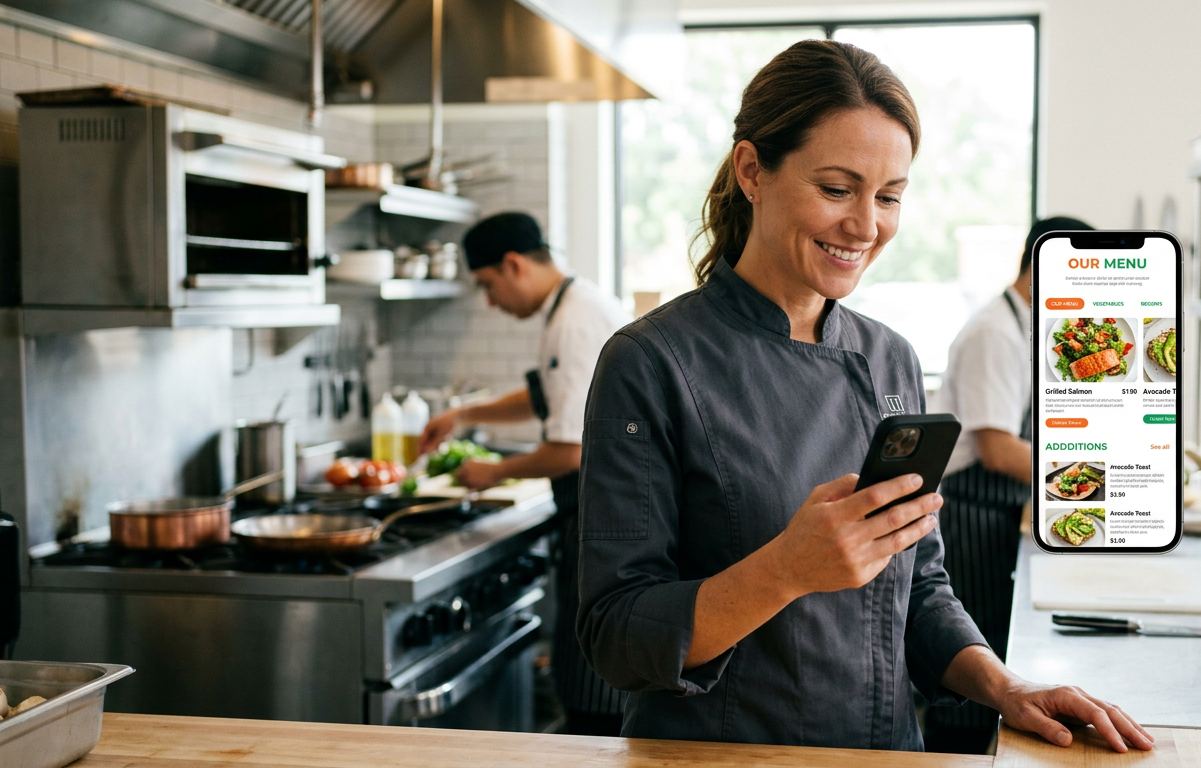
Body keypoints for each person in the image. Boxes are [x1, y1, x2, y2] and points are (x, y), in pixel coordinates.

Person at [575, 40, 1154, 753]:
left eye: (888, 197)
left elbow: (920, 589)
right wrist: (784, 570)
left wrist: (1007, 687)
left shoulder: (890, 359)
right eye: (836, 189)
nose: (867, 226)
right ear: (752, 171)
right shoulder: (650, 361)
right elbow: (616, 637)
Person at [419, 211, 631, 736]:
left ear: (513, 264)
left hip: (604, 523)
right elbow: (548, 399)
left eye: (487, 285)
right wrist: (464, 414)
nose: (491, 302)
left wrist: (493, 472)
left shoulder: (573, 321)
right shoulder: (575, 305)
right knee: (590, 681)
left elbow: (570, 451)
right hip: (602, 519)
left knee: (591, 692)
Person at [923, 216, 1094, 754]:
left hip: (995, 513)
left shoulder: (1025, 326)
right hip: (969, 514)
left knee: (991, 658)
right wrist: (1099, 481)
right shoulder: (995, 333)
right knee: (970, 670)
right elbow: (997, 449)